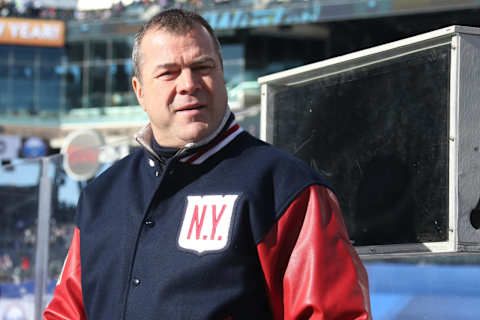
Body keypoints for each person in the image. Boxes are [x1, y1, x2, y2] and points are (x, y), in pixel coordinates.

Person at [43, 8, 371, 320]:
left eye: (203, 67)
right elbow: (67, 310)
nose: (189, 84)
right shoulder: (102, 194)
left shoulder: (285, 187)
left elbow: (332, 312)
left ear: (222, 76)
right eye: (169, 73)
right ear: (139, 91)